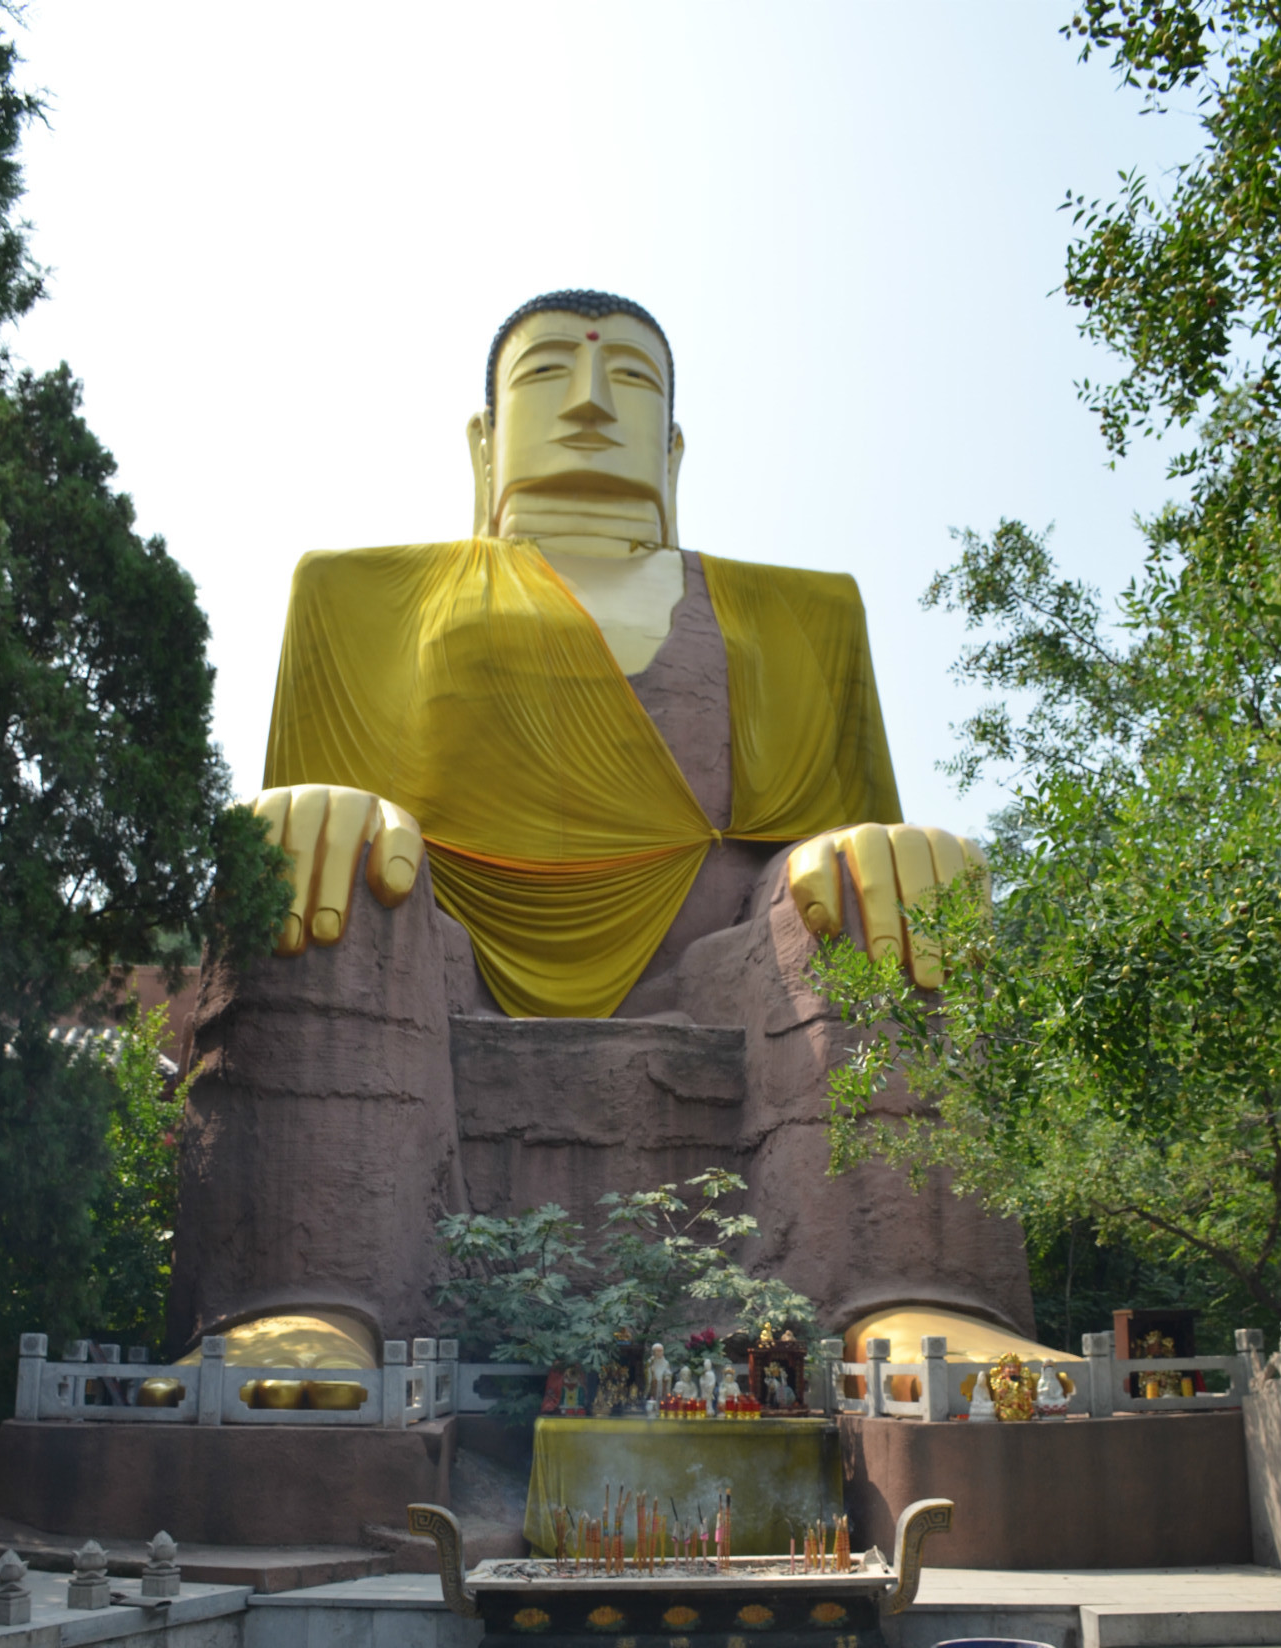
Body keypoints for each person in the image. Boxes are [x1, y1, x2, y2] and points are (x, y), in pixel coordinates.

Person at [167, 291, 1050, 1374]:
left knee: (878, 880)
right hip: (432, 964)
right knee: (316, 850)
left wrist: (873, 848)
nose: (589, 403)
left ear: (673, 447)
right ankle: (307, 1296)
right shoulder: (360, 595)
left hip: (726, 974)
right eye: (548, 375)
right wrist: (314, 810)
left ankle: (914, 1288)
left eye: (628, 379)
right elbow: (312, 826)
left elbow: (819, 844)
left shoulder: (799, 612)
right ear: (485, 442)